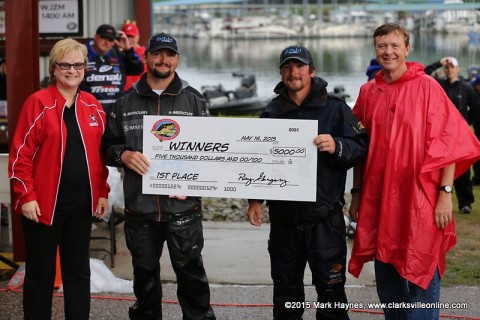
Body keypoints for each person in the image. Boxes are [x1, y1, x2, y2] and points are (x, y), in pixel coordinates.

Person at [348, 23, 480, 320]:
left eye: (395, 45)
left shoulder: (428, 87)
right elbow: (359, 149)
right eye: (382, 45)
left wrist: (445, 194)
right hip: (380, 199)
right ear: (375, 49)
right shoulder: (368, 92)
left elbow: (450, 142)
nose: (388, 51)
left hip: (420, 198)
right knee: (388, 280)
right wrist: (356, 194)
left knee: (421, 275)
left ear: (407, 49)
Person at [246, 45, 369, 320]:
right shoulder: (270, 112)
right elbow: (257, 159)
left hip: (325, 220)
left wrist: (337, 145)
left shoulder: (336, 108)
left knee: (331, 295)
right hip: (283, 221)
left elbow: (361, 146)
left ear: (312, 71)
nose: (294, 73)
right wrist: (254, 199)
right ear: (281, 73)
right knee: (286, 296)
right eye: (287, 67)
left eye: (300, 66)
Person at [102, 33, 216, 320]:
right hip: (140, 209)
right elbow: (108, 146)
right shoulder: (125, 101)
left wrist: (193, 183)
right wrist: (123, 156)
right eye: (157, 53)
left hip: (183, 209)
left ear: (177, 59)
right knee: (144, 279)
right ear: (146, 57)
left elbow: (211, 153)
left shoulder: (194, 100)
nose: (163, 60)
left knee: (192, 278)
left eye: (170, 54)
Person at [8, 38, 110, 320]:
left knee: (78, 272)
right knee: (40, 274)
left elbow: (100, 157)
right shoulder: (38, 102)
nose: (72, 70)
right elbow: (20, 155)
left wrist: (102, 191)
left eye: (78, 65)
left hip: (81, 203)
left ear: (85, 69)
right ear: (54, 68)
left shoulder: (93, 105)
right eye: (65, 64)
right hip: (43, 205)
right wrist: (25, 195)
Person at [424, 56, 480, 213]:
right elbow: (425, 74)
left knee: (462, 170)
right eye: (447, 68)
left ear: (458, 69)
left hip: (459, 135)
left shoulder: (466, 88)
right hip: (440, 134)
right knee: (440, 167)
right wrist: (439, 63)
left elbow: (476, 108)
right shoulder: (439, 85)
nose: (449, 70)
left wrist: (467, 124)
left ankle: (465, 203)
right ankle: (438, 198)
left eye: (452, 67)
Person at [81, 23, 144, 115]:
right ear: (95, 37)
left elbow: (138, 69)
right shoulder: (82, 53)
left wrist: (128, 50)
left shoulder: (117, 55)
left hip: (115, 113)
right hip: (89, 112)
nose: (106, 42)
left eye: (110, 39)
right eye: (103, 37)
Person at [122, 21, 147, 91]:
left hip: (140, 92)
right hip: (123, 93)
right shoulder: (119, 53)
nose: (129, 39)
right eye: (127, 36)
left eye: (132, 36)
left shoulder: (146, 52)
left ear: (138, 36)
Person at [470, 74, 480, 185]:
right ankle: (477, 178)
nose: (474, 87)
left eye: (476, 85)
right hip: (478, 131)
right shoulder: (475, 96)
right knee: (477, 156)